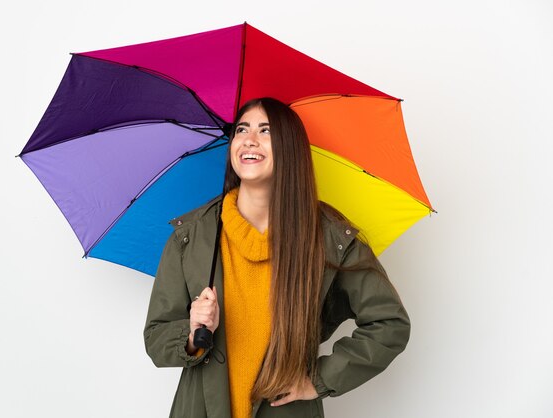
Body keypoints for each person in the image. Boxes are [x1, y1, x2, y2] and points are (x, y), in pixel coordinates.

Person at [144, 97, 411, 418]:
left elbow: (389, 323)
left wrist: (319, 380)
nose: (249, 139)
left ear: (290, 147)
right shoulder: (191, 235)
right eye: (241, 129)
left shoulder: (329, 237)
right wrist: (191, 334)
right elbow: (156, 336)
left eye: (265, 130)